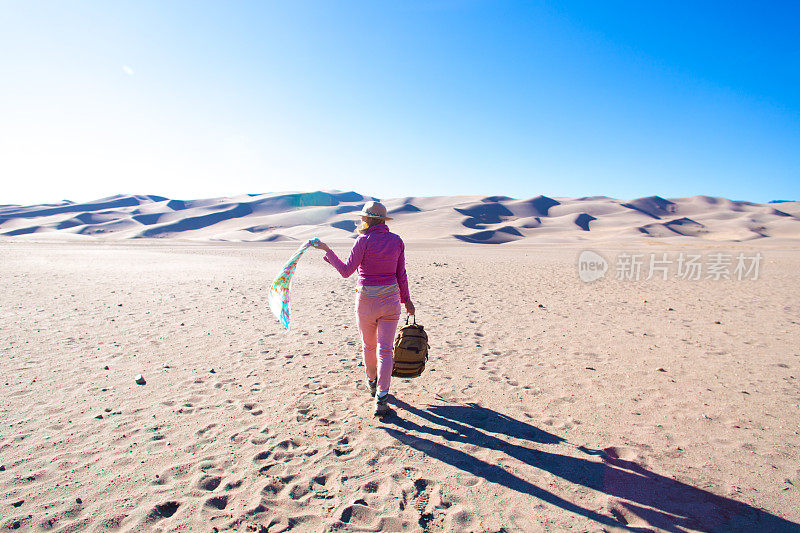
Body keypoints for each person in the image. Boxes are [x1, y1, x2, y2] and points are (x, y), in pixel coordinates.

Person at [310, 201, 415, 416]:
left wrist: (327, 251)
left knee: (369, 346)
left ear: (366, 219)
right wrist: (407, 301)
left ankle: (372, 382)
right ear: (383, 220)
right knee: (385, 350)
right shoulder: (397, 241)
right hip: (391, 300)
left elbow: (346, 271)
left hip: (366, 300)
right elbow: (400, 275)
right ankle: (382, 397)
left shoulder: (363, 241)